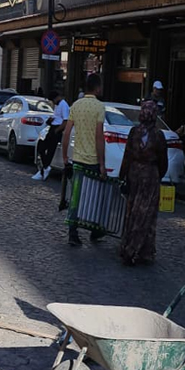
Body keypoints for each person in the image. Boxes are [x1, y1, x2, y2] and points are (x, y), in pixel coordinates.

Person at [119, 101, 168, 266]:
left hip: (134, 173)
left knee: (132, 211)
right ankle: (136, 250)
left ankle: (131, 245)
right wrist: (158, 175)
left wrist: (123, 175)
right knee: (146, 214)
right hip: (150, 176)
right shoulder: (158, 136)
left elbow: (127, 155)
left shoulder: (134, 132)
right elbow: (163, 161)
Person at [62, 74, 106, 246]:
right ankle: (95, 230)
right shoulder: (99, 107)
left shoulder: (76, 105)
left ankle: (73, 232)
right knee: (94, 196)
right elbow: (99, 136)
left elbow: (66, 133)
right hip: (93, 160)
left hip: (78, 159)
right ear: (96, 88)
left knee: (76, 197)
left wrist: (66, 157)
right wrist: (102, 163)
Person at [34, 90, 69, 181]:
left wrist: (57, 130)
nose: (53, 102)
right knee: (42, 146)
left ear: (57, 97)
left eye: (53, 100)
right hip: (52, 127)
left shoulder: (64, 105)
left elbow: (66, 121)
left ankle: (44, 169)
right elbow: (57, 117)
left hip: (57, 129)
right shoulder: (57, 105)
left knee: (50, 150)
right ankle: (45, 167)